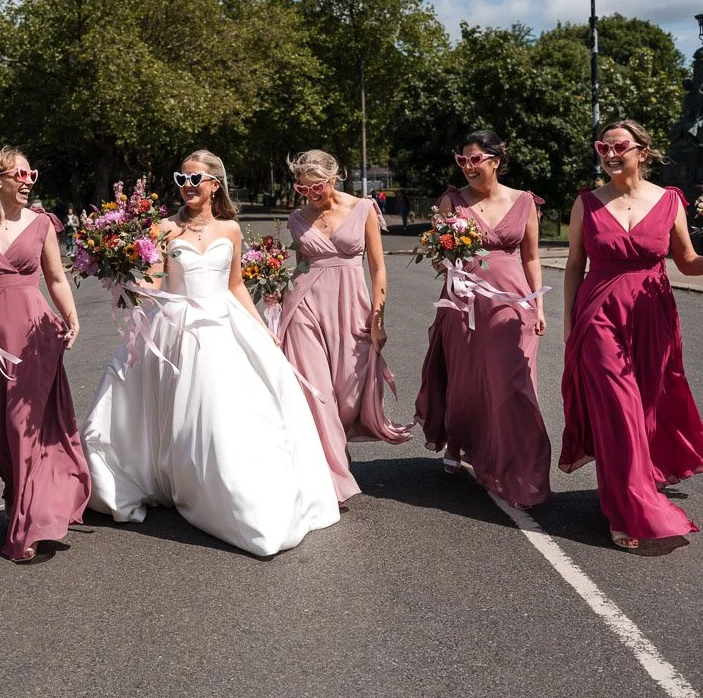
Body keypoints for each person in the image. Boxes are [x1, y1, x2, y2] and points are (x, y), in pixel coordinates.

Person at [82, 149, 339, 557]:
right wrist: (122, 277)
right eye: (181, 179)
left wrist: (261, 330)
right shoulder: (163, 229)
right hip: (175, 324)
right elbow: (151, 282)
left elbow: (236, 285)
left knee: (224, 410)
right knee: (173, 408)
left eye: (195, 179)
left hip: (222, 323)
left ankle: (229, 490)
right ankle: (176, 474)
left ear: (214, 184)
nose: (187, 187)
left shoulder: (231, 229)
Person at [561, 119, 703, 550]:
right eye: (603, 147)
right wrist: (568, 323)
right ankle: (627, 511)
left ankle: (634, 485)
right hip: (598, 312)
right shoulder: (586, 203)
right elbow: (573, 265)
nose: (610, 153)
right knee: (619, 411)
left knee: (646, 410)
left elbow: (688, 261)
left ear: (642, 151)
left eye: (619, 145)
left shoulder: (670, 201)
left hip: (653, 314)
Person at [0, 146, 89, 562]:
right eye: (21, 175)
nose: (29, 181)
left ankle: (31, 523)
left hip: (35, 337)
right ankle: (15, 489)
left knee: (23, 427)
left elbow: (56, 277)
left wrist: (72, 317)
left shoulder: (42, 224)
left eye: (33, 175)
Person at [414, 131, 551, 509]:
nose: (469, 167)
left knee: (515, 386)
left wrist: (538, 306)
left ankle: (523, 469)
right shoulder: (451, 201)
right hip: (464, 301)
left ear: (495, 160)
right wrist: (448, 262)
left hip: (512, 303)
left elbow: (531, 258)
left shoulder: (524, 201)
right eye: (462, 160)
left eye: (476, 159)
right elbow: (437, 255)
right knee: (466, 380)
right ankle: (459, 441)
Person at [278, 149, 412, 504]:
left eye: (317, 186)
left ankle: (336, 451)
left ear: (335, 178)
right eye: (302, 189)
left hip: (351, 306)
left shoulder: (363, 208)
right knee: (316, 391)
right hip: (304, 307)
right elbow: (299, 266)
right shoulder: (296, 218)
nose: (311, 195)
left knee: (347, 395)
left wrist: (378, 316)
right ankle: (331, 477)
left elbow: (379, 268)